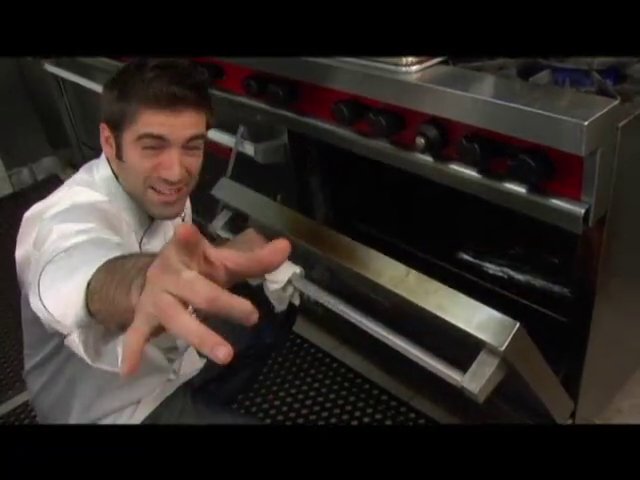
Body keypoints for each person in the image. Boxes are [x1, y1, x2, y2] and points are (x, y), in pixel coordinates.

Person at [15, 58, 295, 424]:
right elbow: (79, 268)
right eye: (152, 146)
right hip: (113, 410)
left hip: (172, 364)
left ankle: (205, 398)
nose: (176, 173)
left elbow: (174, 263)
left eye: (191, 146)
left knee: (270, 307)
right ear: (109, 141)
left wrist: (218, 260)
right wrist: (141, 284)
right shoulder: (62, 217)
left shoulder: (160, 191)